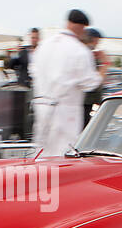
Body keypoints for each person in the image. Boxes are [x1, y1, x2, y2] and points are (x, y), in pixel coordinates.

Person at [30, 9, 105, 157]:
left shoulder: (44, 45)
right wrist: (105, 65)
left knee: (41, 154)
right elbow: (91, 83)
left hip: (41, 107)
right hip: (65, 112)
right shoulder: (79, 50)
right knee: (64, 155)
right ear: (82, 27)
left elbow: (33, 72)